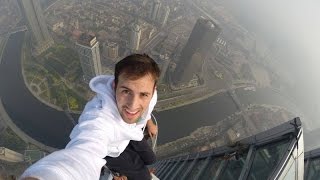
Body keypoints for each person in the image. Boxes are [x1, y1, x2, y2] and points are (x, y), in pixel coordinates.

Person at [20, 54, 160, 180]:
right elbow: (84, 154)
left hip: (132, 132)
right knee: (142, 176)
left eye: (143, 95)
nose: (133, 105)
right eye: (126, 91)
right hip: (112, 149)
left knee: (151, 158)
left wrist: (148, 122)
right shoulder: (100, 117)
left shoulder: (151, 93)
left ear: (152, 91)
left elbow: (145, 108)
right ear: (114, 85)